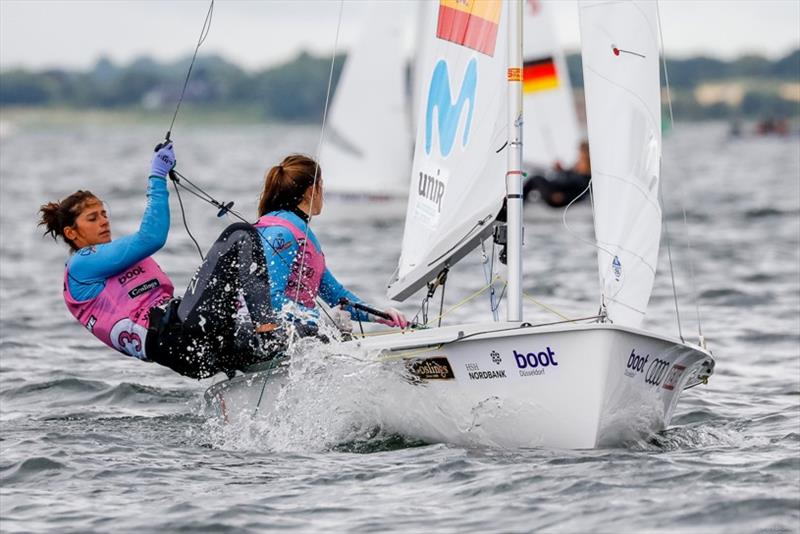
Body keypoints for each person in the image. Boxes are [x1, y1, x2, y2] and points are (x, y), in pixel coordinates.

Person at [38, 143, 281, 379]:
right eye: (92, 218)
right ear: (71, 233)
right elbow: (151, 237)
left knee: (296, 334)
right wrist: (157, 176)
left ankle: (271, 353)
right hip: (179, 338)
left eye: (104, 214)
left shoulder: (118, 259)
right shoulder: (81, 266)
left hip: (196, 350)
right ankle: (266, 333)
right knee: (239, 235)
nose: (103, 221)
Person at [253, 154, 408, 334]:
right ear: (313, 191)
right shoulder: (281, 233)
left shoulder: (299, 232)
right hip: (257, 338)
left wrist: (378, 315)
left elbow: (335, 295)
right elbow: (269, 301)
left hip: (287, 334)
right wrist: (321, 319)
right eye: (322, 186)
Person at [523, 140, 592, 208]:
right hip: (555, 188)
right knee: (535, 180)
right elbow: (568, 176)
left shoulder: (585, 179)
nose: (580, 156)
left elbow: (579, 192)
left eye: (582, 152)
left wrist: (565, 197)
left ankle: (518, 203)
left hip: (556, 195)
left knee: (536, 179)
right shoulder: (578, 167)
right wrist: (560, 169)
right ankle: (519, 201)